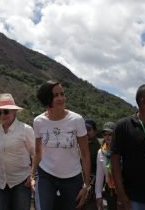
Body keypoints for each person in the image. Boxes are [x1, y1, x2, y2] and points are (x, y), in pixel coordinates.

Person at [33, 80, 91, 210]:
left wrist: (86, 185)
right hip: (46, 175)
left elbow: (85, 154)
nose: (61, 98)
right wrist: (32, 177)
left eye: (62, 94)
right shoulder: (38, 121)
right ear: (46, 98)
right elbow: (38, 152)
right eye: (55, 95)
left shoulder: (77, 120)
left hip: (72, 178)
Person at [0, 93, 35, 210]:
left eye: (6, 111)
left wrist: (32, 176)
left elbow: (35, 154)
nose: (3, 115)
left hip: (21, 182)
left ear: (14, 112)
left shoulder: (25, 130)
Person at [95, 122, 117, 210]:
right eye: (105, 134)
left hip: (123, 188)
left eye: (110, 134)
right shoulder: (101, 152)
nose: (107, 137)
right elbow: (99, 175)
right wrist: (98, 195)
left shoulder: (122, 149)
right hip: (110, 189)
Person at [82, 119, 100, 210]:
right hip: (79, 181)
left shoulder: (99, 147)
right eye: (84, 130)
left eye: (89, 130)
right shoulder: (80, 143)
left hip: (93, 183)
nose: (86, 132)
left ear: (95, 131)